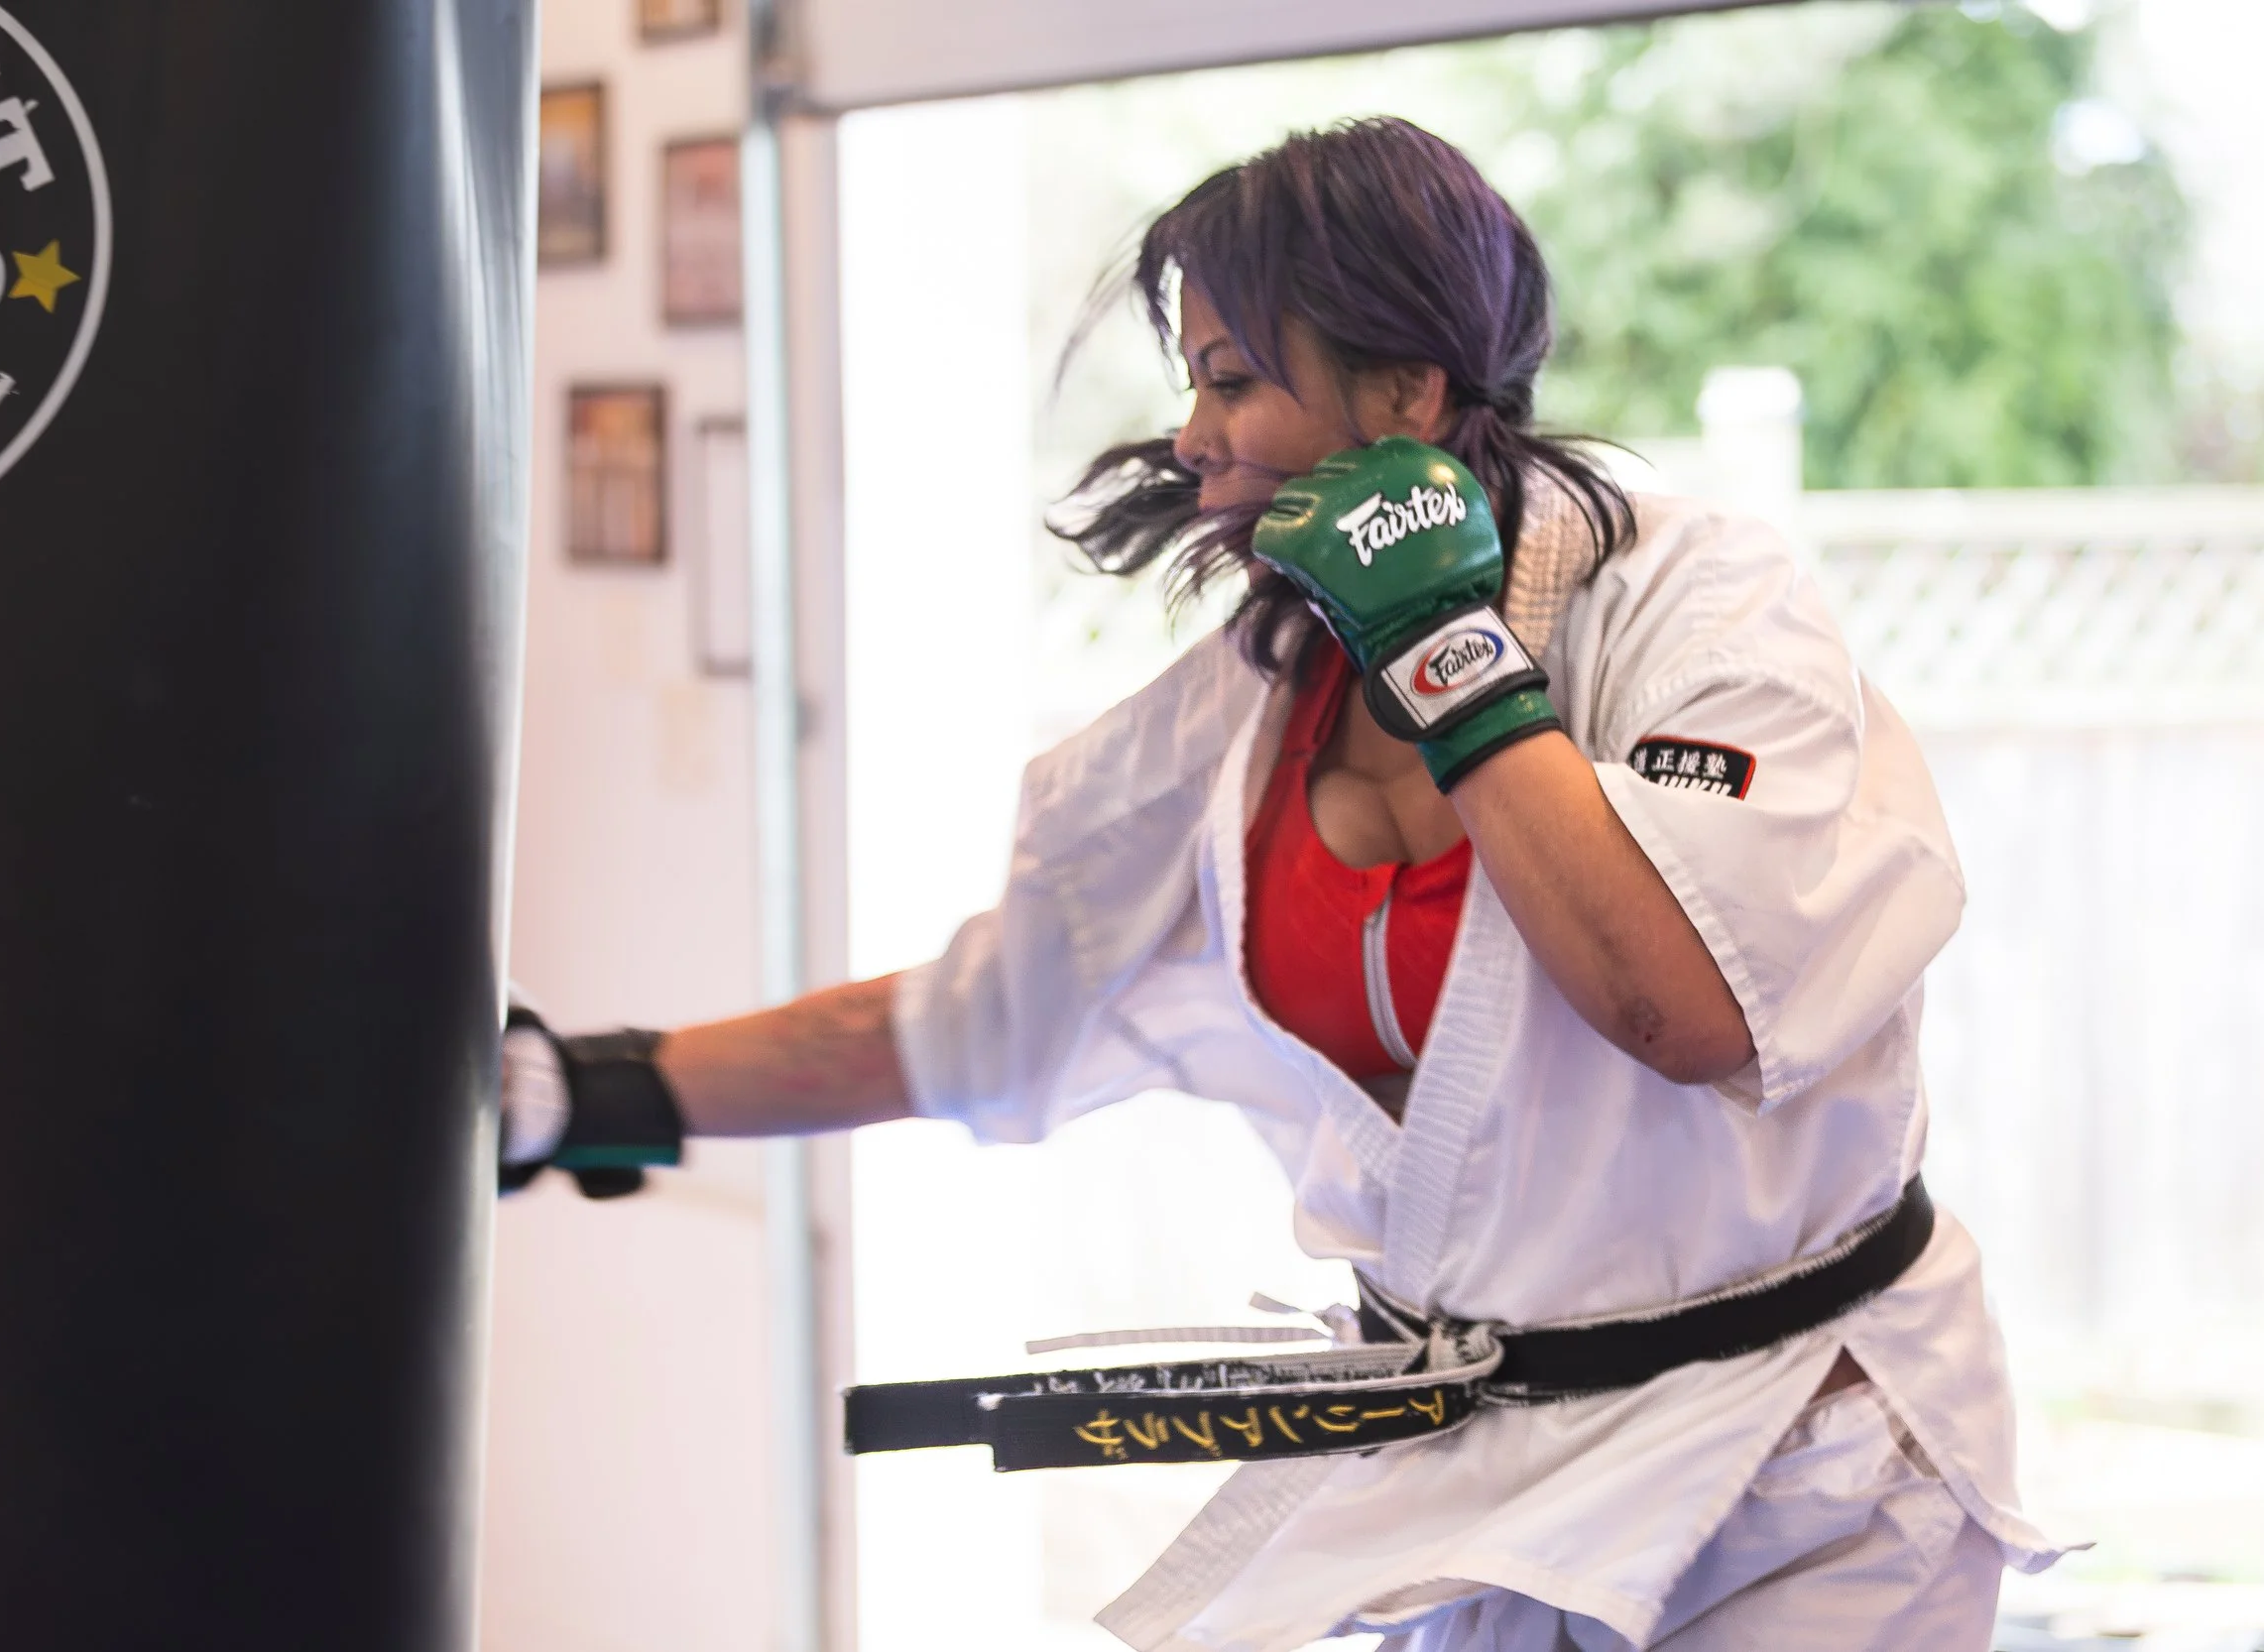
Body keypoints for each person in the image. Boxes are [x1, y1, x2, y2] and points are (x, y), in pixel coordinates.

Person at [500, 118, 2067, 1650]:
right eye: (1192, 384)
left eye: (1234, 378)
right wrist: (601, 1086)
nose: (1192, 437)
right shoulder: (1236, 723)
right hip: (1491, 1484)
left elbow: (1688, 1005)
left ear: (1406, 388)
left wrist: (1445, 651)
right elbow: (975, 1020)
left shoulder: (1696, 604)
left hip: (1797, 1472)